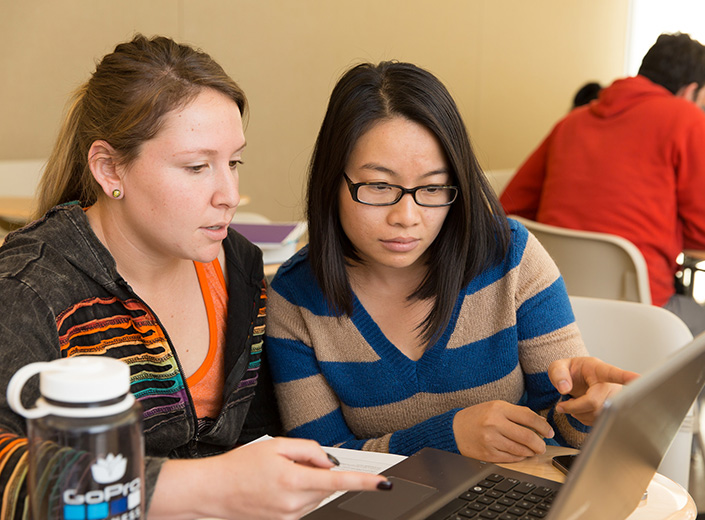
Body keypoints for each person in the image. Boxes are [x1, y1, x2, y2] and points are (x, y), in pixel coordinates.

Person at [0, 34, 392, 520]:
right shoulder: (29, 287)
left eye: (233, 163)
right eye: (196, 166)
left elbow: (256, 439)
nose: (228, 193)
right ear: (108, 168)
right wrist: (211, 485)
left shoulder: (238, 265)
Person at [265, 61, 637, 464]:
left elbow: (560, 435)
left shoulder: (510, 257)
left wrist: (585, 413)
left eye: (433, 187)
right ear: (331, 181)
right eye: (378, 185)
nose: (407, 216)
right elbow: (321, 462)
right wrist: (449, 437)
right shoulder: (296, 297)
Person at [500, 33, 705, 335]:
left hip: (552, 307)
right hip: (644, 313)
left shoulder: (571, 122)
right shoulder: (686, 118)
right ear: (690, 91)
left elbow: (508, 208)